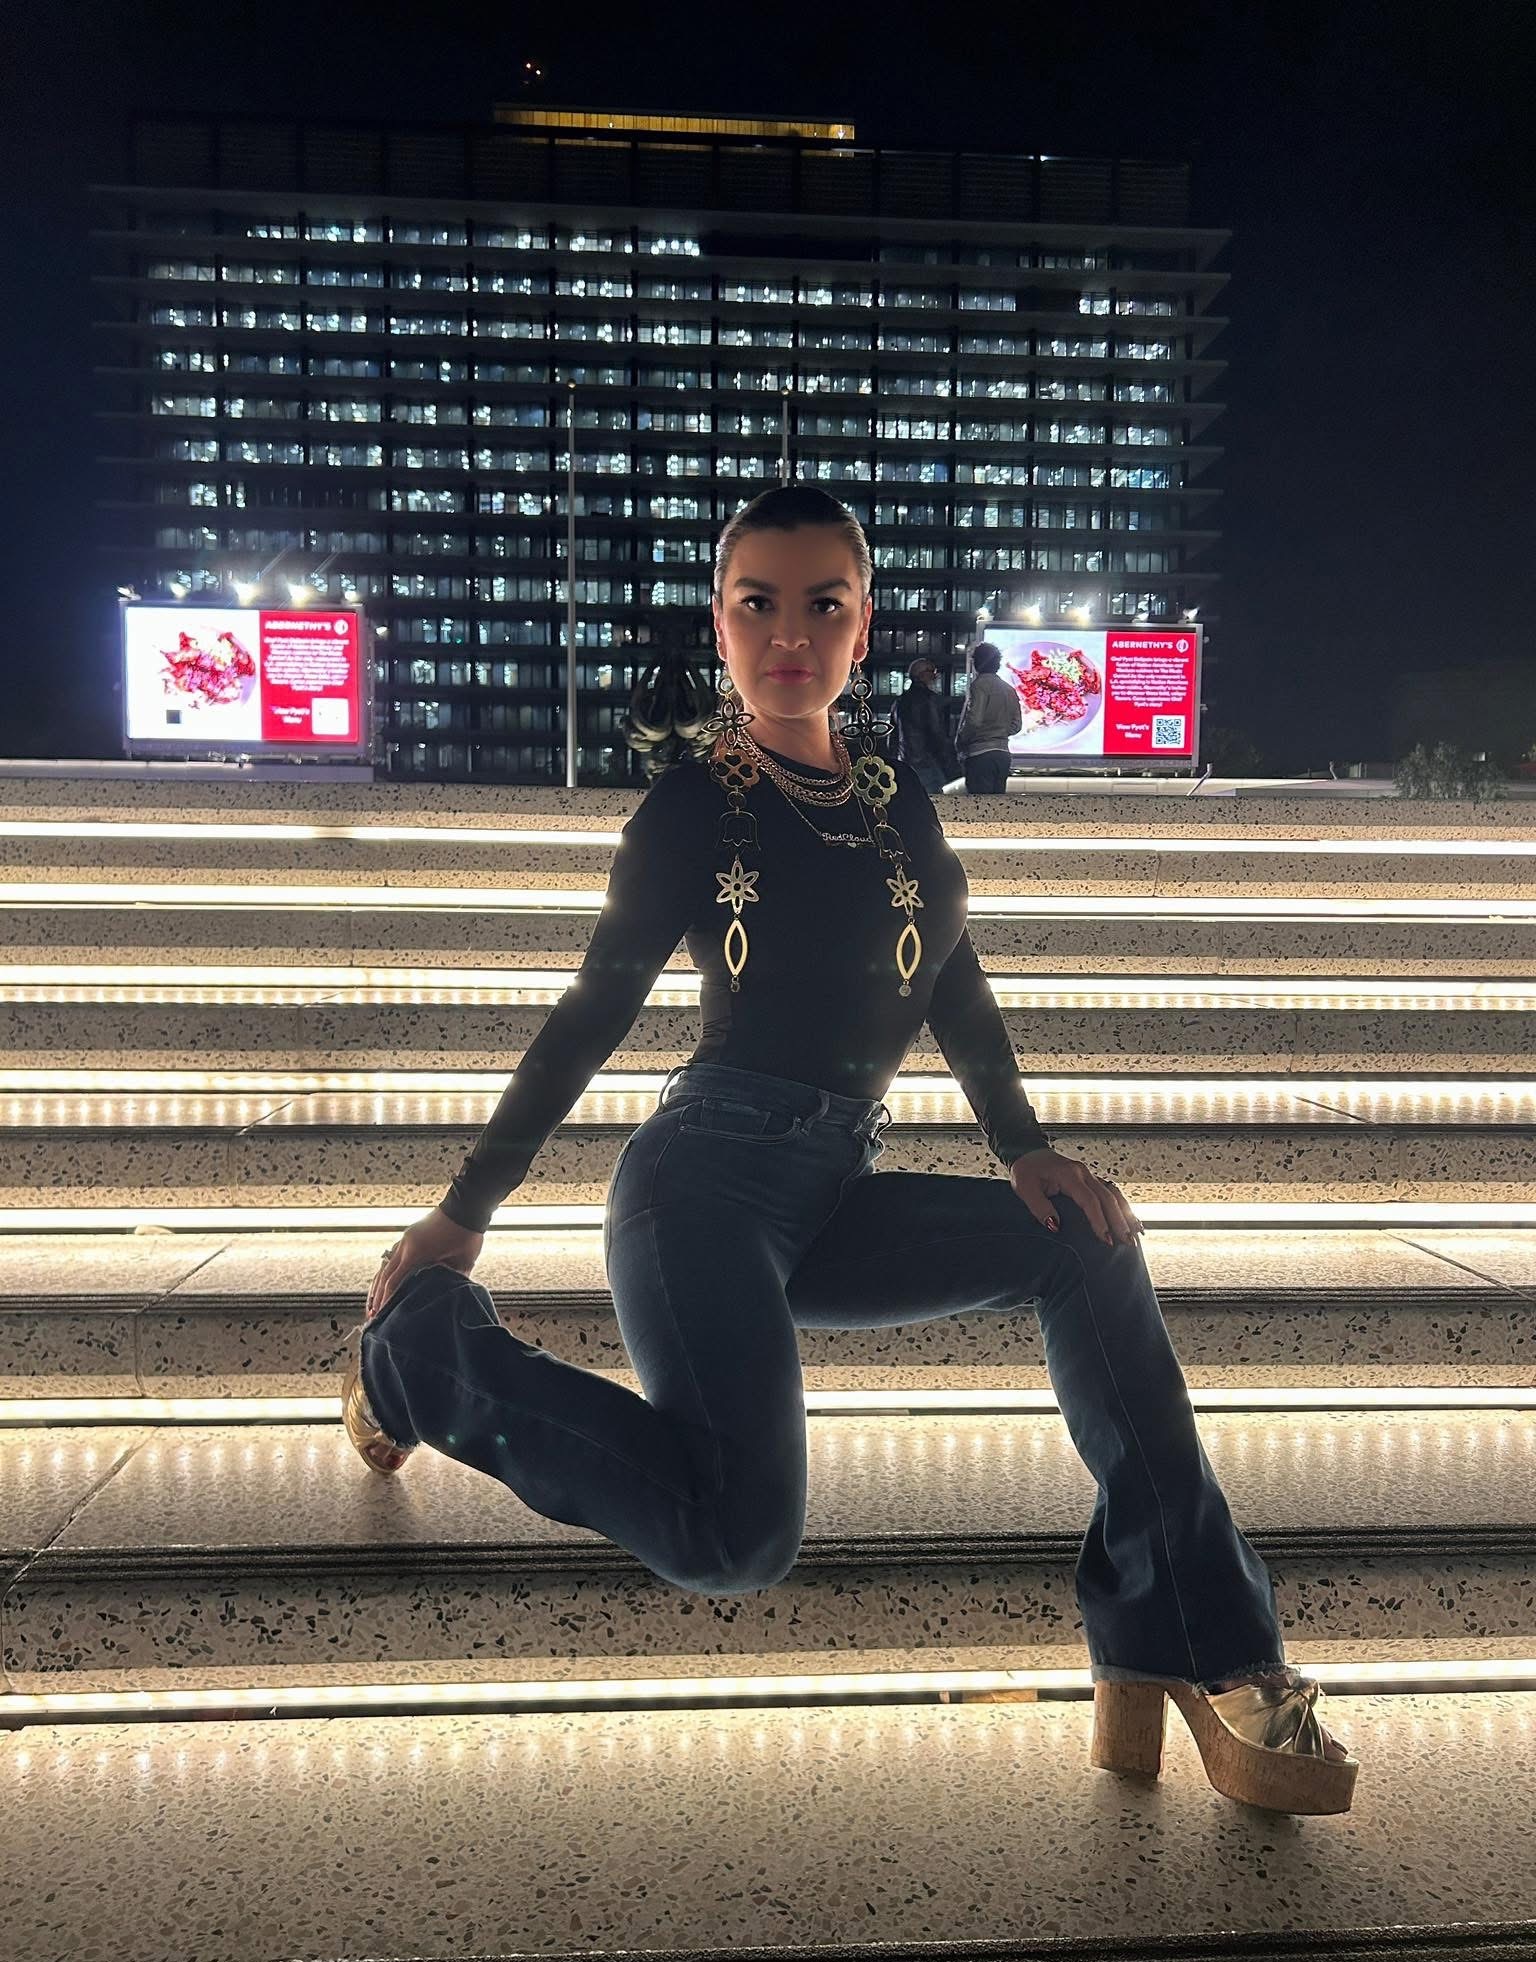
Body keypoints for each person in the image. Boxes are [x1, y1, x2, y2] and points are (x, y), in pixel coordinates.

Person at [341, 484, 1356, 1818]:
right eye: (756, 603)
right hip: (703, 1185)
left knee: (1089, 1245)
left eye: (823, 604)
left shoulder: (893, 804)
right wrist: (463, 1213)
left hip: (830, 1186)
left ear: (861, 628)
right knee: (734, 1534)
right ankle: (419, 1353)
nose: (789, 635)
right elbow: (592, 1011)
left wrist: (1025, 1148)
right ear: (720, 625)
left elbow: (952, 974)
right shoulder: (690, 808)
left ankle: (1195, 1639)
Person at [955, 642, 1021, 796]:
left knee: (979, 804)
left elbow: (974, 720)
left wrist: (962, 740)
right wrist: (1001, 731)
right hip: (1003, 754)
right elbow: (1017, 725)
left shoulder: (979, 685)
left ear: (977, 662)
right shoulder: (1009, 689)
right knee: (997, 805)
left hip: (980, 753)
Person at [893, 656, 961, 797]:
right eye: (932, 672)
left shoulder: (898, 703)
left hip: (905, 761)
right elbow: (936, 734)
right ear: (922, 675)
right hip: (928, 761)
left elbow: (892, 738)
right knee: (937, 801)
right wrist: (949, 760)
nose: (935, 677)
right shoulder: (929, 700)